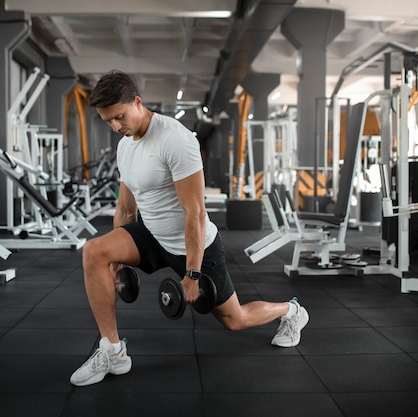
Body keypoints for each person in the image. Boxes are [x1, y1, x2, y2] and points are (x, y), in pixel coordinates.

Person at [70, 70, 309, 387]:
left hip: (193, 244)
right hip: (153, 235)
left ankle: (291, 312)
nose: (115, 127)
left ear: (137, 102)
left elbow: (195, 212)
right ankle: (112, 351)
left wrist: (193, 273)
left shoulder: (175, 139)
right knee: (94, 251)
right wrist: (115, 261)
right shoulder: (125, 146)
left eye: (119, 117)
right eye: (108, 121)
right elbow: (126, 208)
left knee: (234, 320)